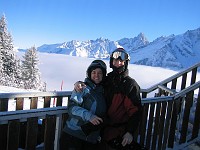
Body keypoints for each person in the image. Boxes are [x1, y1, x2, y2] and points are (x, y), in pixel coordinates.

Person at [74, 48, 142, 150]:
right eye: (115, 60)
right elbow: (93, 83)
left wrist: (129, 132)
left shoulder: (130, 85)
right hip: (99, 131)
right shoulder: (107, 80)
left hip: (118, 134)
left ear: (125, 63)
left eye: (121, 61)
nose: (118, 63)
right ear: (111, 62)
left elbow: (135, 111)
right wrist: (79, 83)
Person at [59, 60, 107, 150]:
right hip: (73, 136)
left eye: (100, 73)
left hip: (91, 139)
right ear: (89, 74)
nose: (96, 75)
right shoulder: (82, 88)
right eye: (94, 72)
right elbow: (72, 108)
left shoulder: (103, 92)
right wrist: (89, 116)